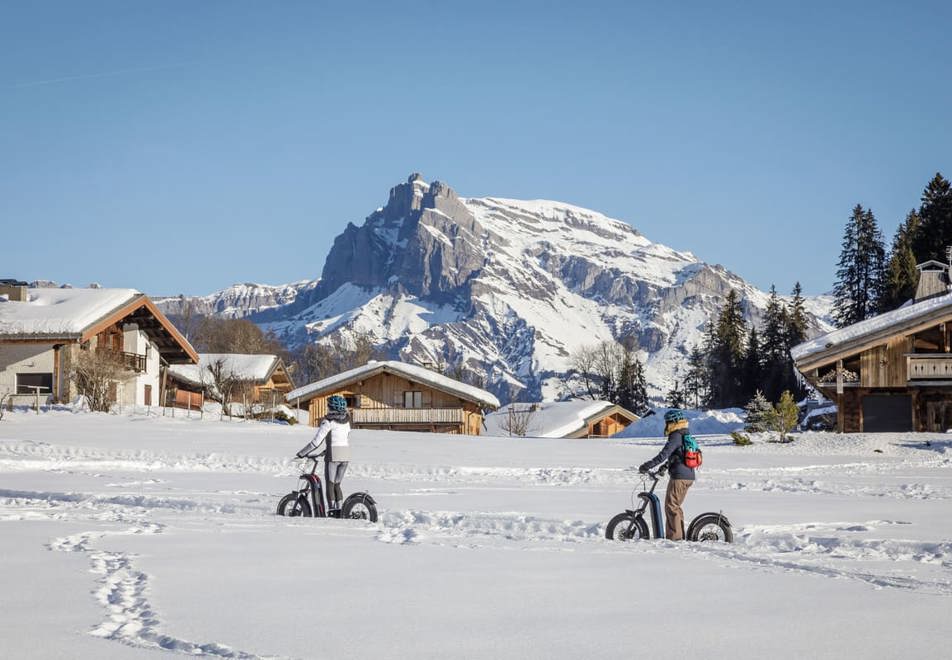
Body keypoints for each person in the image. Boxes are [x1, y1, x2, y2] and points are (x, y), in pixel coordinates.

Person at [638, 409, 695, 541]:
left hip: (679, 477)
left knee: (671, 506)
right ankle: (679, 536)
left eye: (668, 422)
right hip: (688, 476)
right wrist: (664, 468)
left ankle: (675, 539)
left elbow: (664, 454)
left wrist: (647, 465)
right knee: (675, 506)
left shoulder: (676, 435)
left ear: (674, 422)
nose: (666, 424)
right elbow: (677, 455)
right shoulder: (684, 433)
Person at [296, 394, 351, 517]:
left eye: (328, 406)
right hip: (346, 455)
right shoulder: (347, 420)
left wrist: (301, 453)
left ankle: (332, 511)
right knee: (337, 485)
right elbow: (344, 438)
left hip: (333, 456)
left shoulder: (328, 422)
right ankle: (339, 511)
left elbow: (316, 443)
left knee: (330, 485)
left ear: (331, 407)